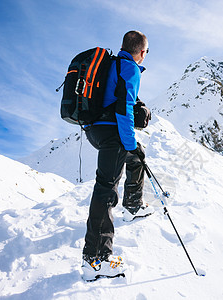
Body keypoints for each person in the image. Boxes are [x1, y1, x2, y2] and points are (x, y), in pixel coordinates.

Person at [81, 30, 153, 281]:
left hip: (95, 130)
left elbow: (118, 99)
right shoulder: (130, 68)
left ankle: (133, 205)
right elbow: (123, 110)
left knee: (137, 156)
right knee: (106, 191)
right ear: (141, 52)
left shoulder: (111, 64)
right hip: (112, 134)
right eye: (146, 52)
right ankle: (95, 260)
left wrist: (133, 147)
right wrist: (129, 141)